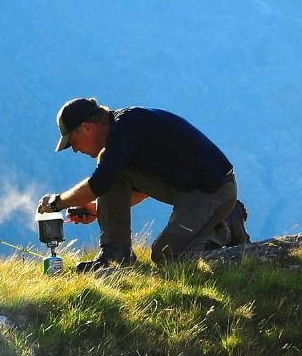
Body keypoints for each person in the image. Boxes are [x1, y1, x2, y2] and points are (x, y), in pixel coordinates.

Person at [38, 97, 248, 271]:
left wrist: (56, 203)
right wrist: (98, 210)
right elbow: (140, 188)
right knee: (112, 169)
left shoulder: (127, 129)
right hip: (188, 189)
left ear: (85, 128)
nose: (74, 150)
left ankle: (224, 227)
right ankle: (116, 255)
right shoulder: (122, 132)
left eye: (72, 142)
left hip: (213, 192)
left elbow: (98, 184)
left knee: (166, 256)